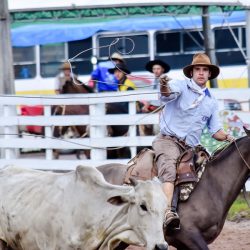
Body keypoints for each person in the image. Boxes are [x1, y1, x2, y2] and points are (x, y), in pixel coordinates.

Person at [153, 53, 235, 230]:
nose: (201, 73)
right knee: (169, 170)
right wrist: (163, 84)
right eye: (197, 69)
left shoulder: (211, 102)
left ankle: (197, 213)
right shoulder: (180, 85)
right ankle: (167, 212)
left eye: (205, 70)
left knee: (209, 171)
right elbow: (166, 94)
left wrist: (229, 137)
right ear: (191, 72)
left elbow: (216, 131)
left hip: (190, 147)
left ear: (209, 74)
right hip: (168, 141)